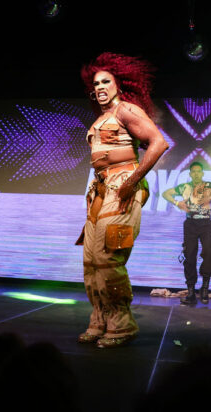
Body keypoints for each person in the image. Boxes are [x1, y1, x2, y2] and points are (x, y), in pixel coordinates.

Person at [77, 52, 169, 348]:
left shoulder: (126, 109)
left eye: (106, 81)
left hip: (123, 187)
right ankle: (100, 319)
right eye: (96, 84)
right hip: (101, 191)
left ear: (119, 84)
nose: (101, 87)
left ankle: (122, 323)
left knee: (108, 257)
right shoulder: (100, 118)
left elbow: (158, 143)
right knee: (91, 260)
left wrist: (131, 182)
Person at [162, 162, 211, 305]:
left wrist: (210, 198)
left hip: (206, 224)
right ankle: (191, 292)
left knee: (208, 254)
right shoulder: (184, 187)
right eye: (193, 171)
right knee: (189, 256)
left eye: (198, 171)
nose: (196, 174)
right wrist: (177, 203)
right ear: (190, 174)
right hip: (190, 224)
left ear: (202, 173)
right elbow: (165, 193)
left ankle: (205, 288)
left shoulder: (209, 186)